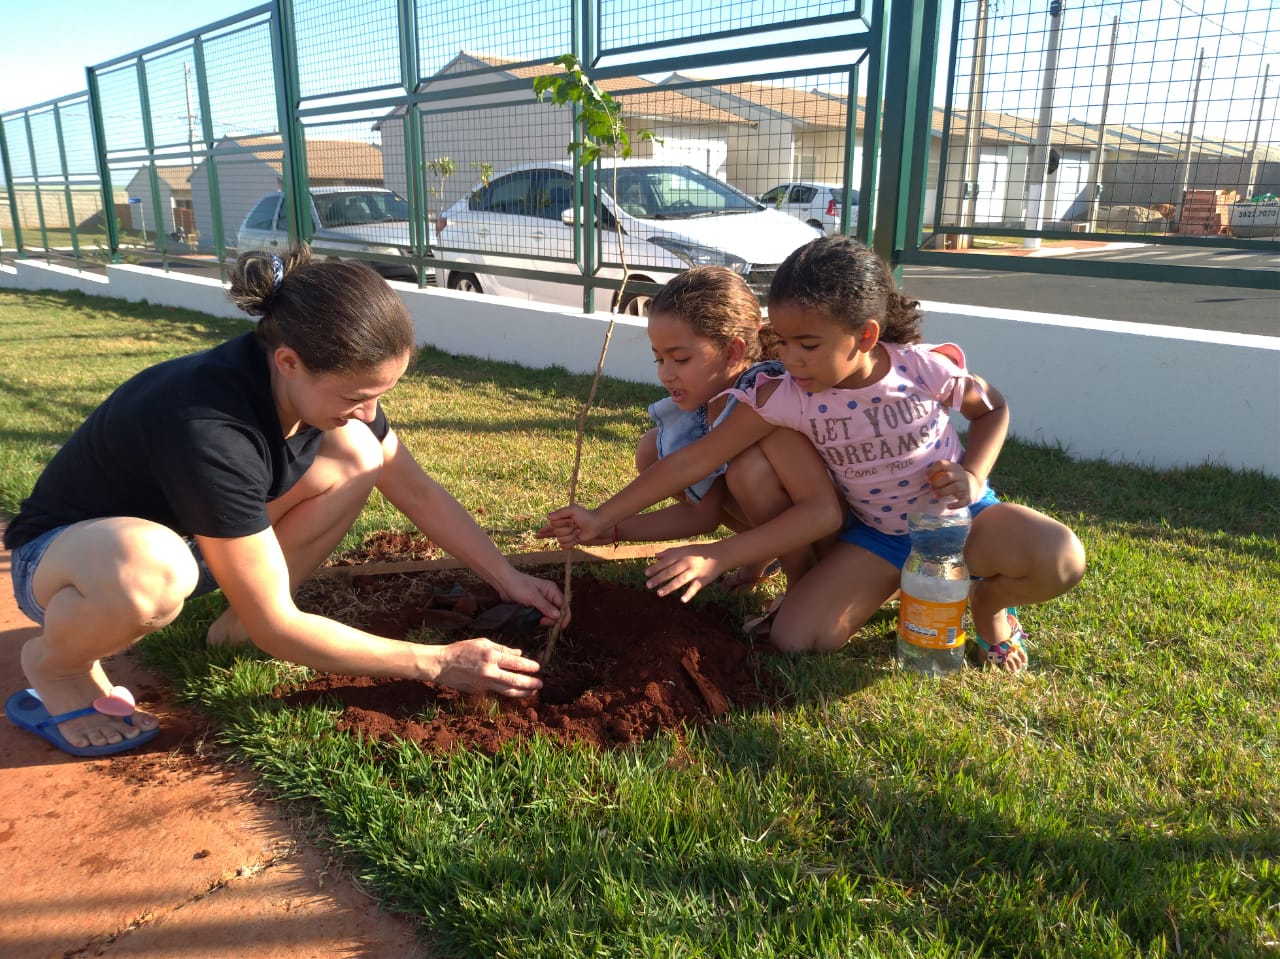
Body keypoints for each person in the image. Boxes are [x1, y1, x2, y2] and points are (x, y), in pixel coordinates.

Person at [4, 247, 561, 757]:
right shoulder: (209, 427)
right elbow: (278, 628)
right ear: (289, 361)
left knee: (360, 454)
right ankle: (56, 665)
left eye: (381, 396)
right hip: (66, 563)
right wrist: (437, 663)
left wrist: (508, 578)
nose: (370, 412)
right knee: (151, 569)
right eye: (356, 397)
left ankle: (233, 623)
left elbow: (414, 488)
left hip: (192, 544)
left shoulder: (322, 394)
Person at [545, 236, 1086, 669]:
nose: (790, 359)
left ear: (865, 336)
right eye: (781, 343)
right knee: (798, 640)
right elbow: (693, 461)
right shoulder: (785, 397)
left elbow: (991, 408)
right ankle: (899, 589)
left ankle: (987, 607)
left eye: (808, 345)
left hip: (963, 522)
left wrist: (972, 473)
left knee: (1061, 556)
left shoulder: (922, 368)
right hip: (878, 540)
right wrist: (601, 518)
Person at [538, 265, 841, 592]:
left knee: (747, 471)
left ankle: (803, 582)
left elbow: (820, 507)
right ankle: (760, 559)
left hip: (833, 534)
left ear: (733, 352)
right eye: (659, 360)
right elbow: (702, 515)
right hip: (798, 519)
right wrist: (608, 528)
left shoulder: (768, 397)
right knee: (653, 448)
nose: (666, 374)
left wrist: (602, 518)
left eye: (680, 359)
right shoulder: (707, 401)